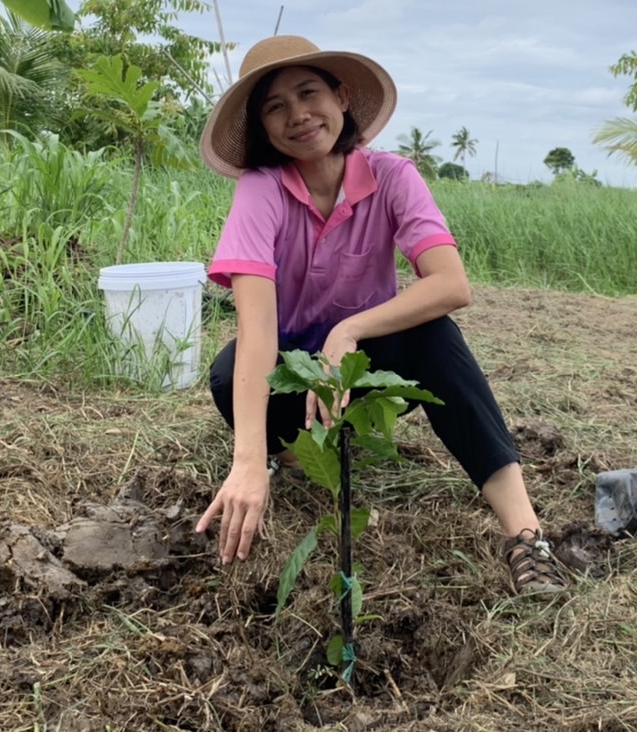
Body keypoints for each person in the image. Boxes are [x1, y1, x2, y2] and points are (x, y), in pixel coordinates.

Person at [193, 34, 567, 595]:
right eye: (275, 106)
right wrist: (246, 459)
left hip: (362, 368)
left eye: (308, 92)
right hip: (296, 378)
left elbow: (450, 284)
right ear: (262, 127)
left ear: (342, 98)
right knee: (227, 374)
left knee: (435, 337)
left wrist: (350, 329)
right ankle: (289, 456)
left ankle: (525, 534)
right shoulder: (260, 190)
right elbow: (257, 332)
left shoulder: (393, 176)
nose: (297, 115)